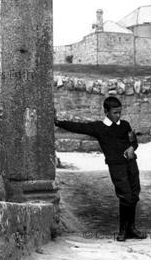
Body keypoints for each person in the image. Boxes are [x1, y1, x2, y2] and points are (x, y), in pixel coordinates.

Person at [54, 96, 146, 242]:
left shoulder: (125, 125)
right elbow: (78, 127)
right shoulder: (99, 128)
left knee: (134, 195)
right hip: (116, 167)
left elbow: (134, 142)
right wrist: (58, 122)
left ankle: (132, 228)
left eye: (119, 112)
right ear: (106, 111)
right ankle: (123, 231)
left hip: (131, 164)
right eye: (115, 112)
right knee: (125, 196)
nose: (118, 116)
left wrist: (131, 148)